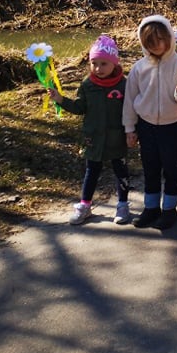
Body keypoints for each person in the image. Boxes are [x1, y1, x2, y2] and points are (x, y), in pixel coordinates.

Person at [49, 35, 131, 226]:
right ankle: (85, 205)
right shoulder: (87, 84)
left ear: (114, 63)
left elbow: (130, 109)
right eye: (94, 63)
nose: (98, 68)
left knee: (121, 170)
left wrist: (131, 131)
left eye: (104, 64)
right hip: (93, 138)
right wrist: (60, 99)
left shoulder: (124, 84)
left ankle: (122, 204)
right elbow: (79, 107)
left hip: (116, 137)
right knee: (92, 170)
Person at [123, 16, 177, 230]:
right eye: (151, 43)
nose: (158, 46)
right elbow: (130, 100)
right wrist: (130, 128)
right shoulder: (139, 68)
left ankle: (169, 209)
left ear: (170, 37)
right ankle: (151, 208)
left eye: (162, 40)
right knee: (150, 168)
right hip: (147, 126)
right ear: (144, 44)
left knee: (171, 168)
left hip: (172, 125)